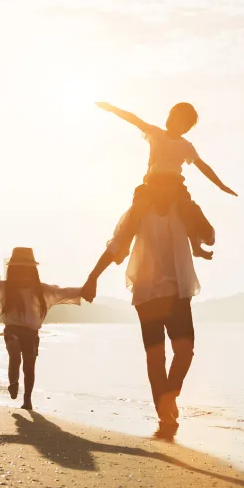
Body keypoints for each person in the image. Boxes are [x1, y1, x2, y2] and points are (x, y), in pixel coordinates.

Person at [81, 184, 207, 439]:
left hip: (175, 292)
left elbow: (209, 235)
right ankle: (164, 412)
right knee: (156, 355)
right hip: (150, 294)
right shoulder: (139, 212)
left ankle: (168, 398)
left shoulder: (182, 208)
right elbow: (117, 246)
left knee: (183, 351)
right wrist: (92, 277)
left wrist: (194, 210)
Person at [96, 101, 236, 259]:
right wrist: (112, 109)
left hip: (175, 186)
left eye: (178, 118)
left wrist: (221, 185)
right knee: (138, 209)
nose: (172, 119)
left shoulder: (186, 146)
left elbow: (203, 166)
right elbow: (134, 119)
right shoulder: (155, 133)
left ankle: (196, 246)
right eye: (172, 114)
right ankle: (124, 245)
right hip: (153, 184)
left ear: (185, 128)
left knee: (187, 208)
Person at [0, 247, 83, 411]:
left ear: (32, 271)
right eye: (19, 270)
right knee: (14, 355)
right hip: (12, 330)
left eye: (27, 270)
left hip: (31, 333)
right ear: (13, 270)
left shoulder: (40, 289)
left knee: (29, 367)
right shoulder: (5, 287)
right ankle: (13, 382)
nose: (23, 274)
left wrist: (85, 288)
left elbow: (60, 292)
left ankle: (27, 400)